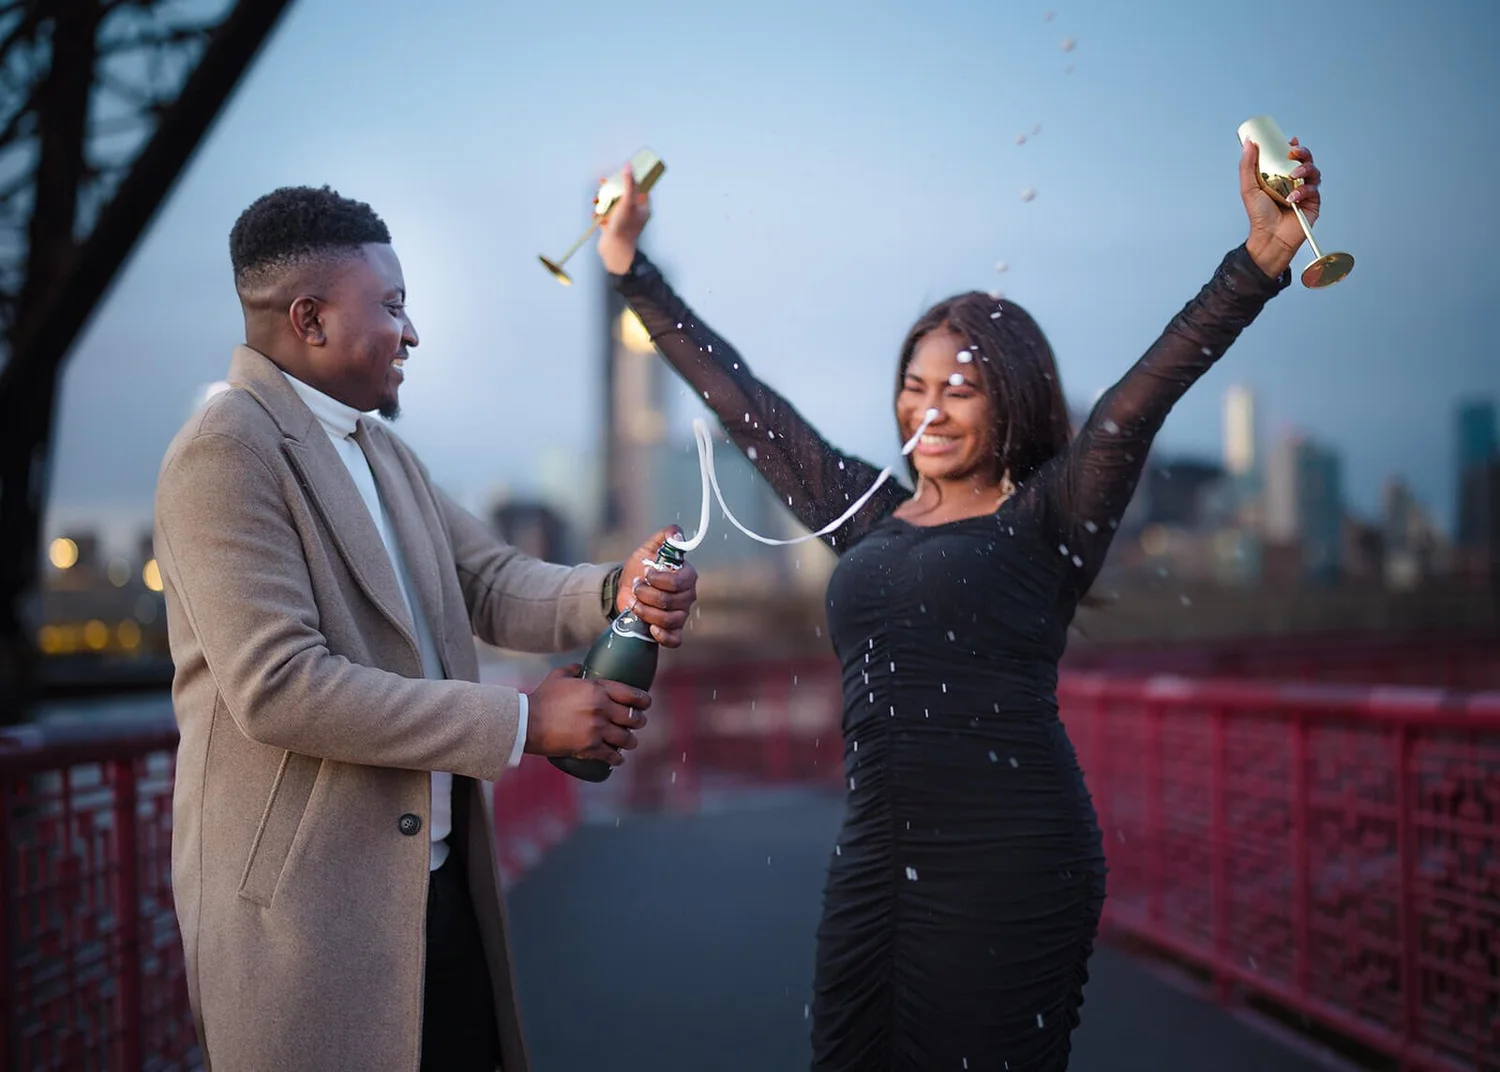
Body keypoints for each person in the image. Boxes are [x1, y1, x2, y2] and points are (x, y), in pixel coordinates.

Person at [594, 135, 1324, 1070]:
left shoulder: (1052, 510)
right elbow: (745, 402)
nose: (927, 411)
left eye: (960, 389)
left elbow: (1137, 404)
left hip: (1011, 865)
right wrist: (626, 266)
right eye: (913, 385)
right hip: (873, 869)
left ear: (1010, 400)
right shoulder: (865, 511)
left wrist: (1259, 261)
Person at [153, 184, 699, 1072]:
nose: (412, 334)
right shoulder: (225, 450)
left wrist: (614, 587)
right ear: (310, 318)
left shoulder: (380, 449)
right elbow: (280, 688)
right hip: (311, 921)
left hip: (437, 897)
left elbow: (489, 581)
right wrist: (524, 722)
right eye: (394, 307)